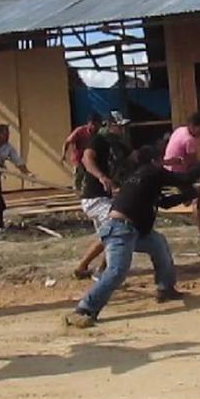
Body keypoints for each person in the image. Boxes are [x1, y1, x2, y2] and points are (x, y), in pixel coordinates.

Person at [65, 146, 200, 328]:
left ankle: (165, 288)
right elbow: (186, 178)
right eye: (161, 160)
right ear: (154, 161)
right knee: (116, 272)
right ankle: (84, 309)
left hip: (133, 230)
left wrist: (191, 194)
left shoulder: (141, 177)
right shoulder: (152, 172)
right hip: (121, 230)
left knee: (159, 244)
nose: (163, 163)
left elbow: (162, 203)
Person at [73, 111, 133, 280]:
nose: (122, 130)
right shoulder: (98, 141)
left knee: (109, 234)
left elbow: (133, 159)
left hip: (108, 197)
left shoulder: (118, 145)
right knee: (116, 226)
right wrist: (101, 177)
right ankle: (101, 270)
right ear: (109, 125)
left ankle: (84, 267)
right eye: (119, 126)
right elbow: (87, 159)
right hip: (94, 198)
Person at [163, 112, 200, 241]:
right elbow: (193, 165)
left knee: (196, 196)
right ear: (193, 126)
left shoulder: (180, 130)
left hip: (171, 169)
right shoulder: (189, 140)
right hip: (177, 173)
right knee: (196, 198)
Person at [64, 113, 102, 192]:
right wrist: (63, 154)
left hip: (89, 158)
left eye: (96, 125)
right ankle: (77, 191)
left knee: (89, 174)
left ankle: (86, 190)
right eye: (92, 124)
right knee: (79, 175)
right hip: (78, 157)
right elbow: (67, 142)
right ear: (88, 124)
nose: (94, 127)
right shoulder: (80, 131)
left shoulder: (98, 133)